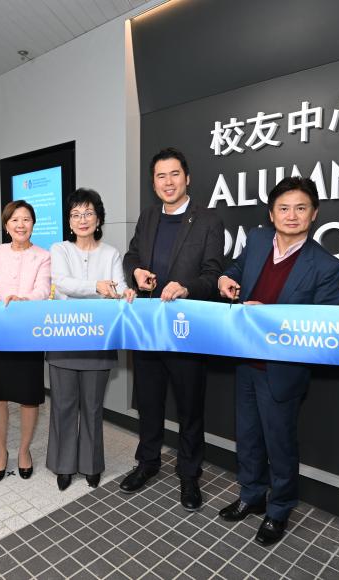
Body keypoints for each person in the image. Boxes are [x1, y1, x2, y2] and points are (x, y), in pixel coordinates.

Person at [216, 177, 339, 545]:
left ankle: (279, 508)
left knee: (280, 443)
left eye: (301, 208)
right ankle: (251, 496)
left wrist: (268, 314)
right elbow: (237, 269)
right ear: (271, 214)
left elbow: (321, 325)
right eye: (284, 208)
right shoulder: (256, 240)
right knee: (249, 437)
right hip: (245, 361)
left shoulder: (326, 266)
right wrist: (227, 278)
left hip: (283, 370)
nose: (292, 215)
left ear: (314, 214)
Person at [120, 147, 224, 511]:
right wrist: (135, 271)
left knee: (190, 407)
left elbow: (212, 275)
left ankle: (189, 475)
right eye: (161, 176)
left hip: (185, 329)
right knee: (148, 402)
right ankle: (147, 462)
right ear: (154, 182)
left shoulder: (208, 220)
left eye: (174, 174)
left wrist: (185, 287)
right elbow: (132, 255)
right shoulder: (148, 218)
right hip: (148, 327)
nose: (168, 182)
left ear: (187, 178)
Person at [47, 188, 128, 491]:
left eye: (89, 213)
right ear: (69, 221)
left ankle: (91, 464)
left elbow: (118, 288)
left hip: (98, 340)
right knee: (64, 406)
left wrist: (113, 290)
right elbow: (62, 283)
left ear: (98, 218)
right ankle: (64, 465)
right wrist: (97, 286)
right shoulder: (60, 249)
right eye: (76, 214)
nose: (83, 219)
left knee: (93, 408)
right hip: (64, 338)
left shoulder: (111, 253)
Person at [0, 200, 51, 482]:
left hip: (28, 333)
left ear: (33, 224)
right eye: (14, 220)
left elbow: (43, 290)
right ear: (6, 226)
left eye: (26, 219)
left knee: (29, 398)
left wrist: (24, 300)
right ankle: (1, 451)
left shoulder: (43, 255)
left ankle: (24, 451)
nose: (20, 225)